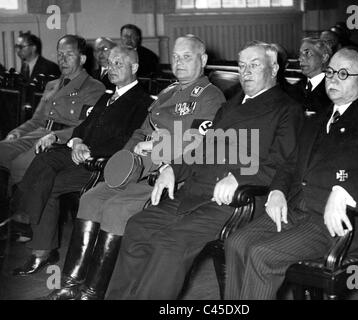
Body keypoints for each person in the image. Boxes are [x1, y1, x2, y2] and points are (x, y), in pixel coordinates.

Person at [105, 40, 303, 300]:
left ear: (274, 68)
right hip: (199, 191)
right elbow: (201, 148)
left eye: (255, 65)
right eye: (242, 66)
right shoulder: (230, 105)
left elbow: (284, 163)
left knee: (169, 243)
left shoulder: (287, 110)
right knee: (138, 226)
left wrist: (240, 177)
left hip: (239, 200)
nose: (246, 72)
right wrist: (174, 169)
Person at [42, 34, 225, 300]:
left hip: (170, 174)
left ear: (203, 60)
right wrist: (124, 165)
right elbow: (140, 132)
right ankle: (71, 284)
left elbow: (197, 144)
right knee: (91, 198)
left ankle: (93, 292)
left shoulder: (210, 97)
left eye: (187, 57)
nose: (179, 62)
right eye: (175, 57)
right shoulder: (167, 92)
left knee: (116, 208)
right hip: (138, 167)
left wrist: (155, 148)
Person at [224, 47, 358, 299]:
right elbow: (290, 163)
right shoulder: (316, 119)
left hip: (339, 221)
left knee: (261, 254)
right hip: (296, 208)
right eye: (331, 71)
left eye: (344, 74)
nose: (333, 79)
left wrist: (345, 191)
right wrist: (277, 191)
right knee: (236, 243)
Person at [10, 45, 154, 277]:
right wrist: (76, 141)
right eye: (109, 63)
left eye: (119, 63)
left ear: (134, 67)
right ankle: (27, 223)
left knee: (48, 185)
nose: (111, 68)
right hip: (79, 152)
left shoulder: (142, 102)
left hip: (100, 163)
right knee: (45, 159)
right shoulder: (107, 96)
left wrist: (88, 151)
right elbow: (83, 127)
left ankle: (36, 243)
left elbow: (126, 142)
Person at [0, 35, 105, 212]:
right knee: (2, 149)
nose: (62, 60)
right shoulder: (52, 85)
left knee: (20, 164)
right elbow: (38, 119)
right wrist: (18, 132)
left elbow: (84, 127)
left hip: (62, 141)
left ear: (83, 59)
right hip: (38, 134)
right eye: (59, 54)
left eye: (69, 55)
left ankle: (19, 218)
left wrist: (56, 136)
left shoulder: (94, 87)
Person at [287, 38, 332, 115]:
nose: (300, 58)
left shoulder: (331, 89)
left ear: (324, 58)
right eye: (300, 54)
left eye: (307, 53)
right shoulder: (294, 88)